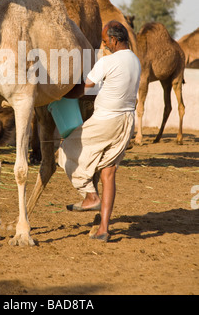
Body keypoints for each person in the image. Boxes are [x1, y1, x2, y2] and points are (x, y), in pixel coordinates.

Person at [58, 20, 141, 242]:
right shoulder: (135, 60)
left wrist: (58, 94)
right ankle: (103, 228)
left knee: (66, 149)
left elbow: (82, 89)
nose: (104, 46)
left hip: (106, 121)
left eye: (105, 42)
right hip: (127, 122)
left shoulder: (108, 62)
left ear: (114, 40)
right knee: (108, 173)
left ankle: (89, 194)